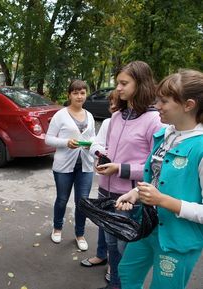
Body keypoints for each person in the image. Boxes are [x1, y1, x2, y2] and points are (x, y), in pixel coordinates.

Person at [116, 69, 203, 289]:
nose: (157, 106)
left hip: (177, 240)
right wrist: (136, 192)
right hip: (148, 227)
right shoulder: (165, 135)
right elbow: (155, 178)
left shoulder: (200, 148)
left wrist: (162, 200)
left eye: (164, 101)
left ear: (188, 105)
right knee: (126, 272)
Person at [93, 61, 164, 289]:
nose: (118, 89)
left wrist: (120, 169)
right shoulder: (116, 116)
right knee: (112, 246)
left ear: (141, 84)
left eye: (124, 83)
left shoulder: (155, 120)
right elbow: (111, 150)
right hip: (106, 191)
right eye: (117, 84)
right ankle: (114, 284)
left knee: (126, 250)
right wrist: (103, 160)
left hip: (129, 198)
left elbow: (155, 165)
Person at [45, 79, 96, 251]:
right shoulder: (61, 115)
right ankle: (57, 228)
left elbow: (94, 138)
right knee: (62, 199)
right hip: (64, 166)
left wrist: (91, 144)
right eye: (75, 93)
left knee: (82, 202)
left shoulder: (89, 115)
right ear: (69, 95)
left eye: (82, 92)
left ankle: (80, 234)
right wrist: (66, 142)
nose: (79, 96)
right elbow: (48, 138)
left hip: (85, 166)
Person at [81, 89, 120, 282]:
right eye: (111, 103)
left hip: (125, 189)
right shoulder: (107, 122)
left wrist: (116, 160)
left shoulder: (144, 122)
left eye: (117, 103)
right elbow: (96, 144)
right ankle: (101, 254)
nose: (113, 107)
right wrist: (101, 154)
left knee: (117, 228)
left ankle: (114, 266)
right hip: (105, 182)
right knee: (103, 220)